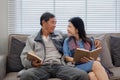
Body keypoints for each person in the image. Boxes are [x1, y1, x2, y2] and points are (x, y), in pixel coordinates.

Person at [20, 12, 89, 80]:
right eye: (52, 22)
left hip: (59, 66)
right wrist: (32, 63)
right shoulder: (32, 39)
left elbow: (74, 36)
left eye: (55, 23)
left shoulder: (59, 35)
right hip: (41, 67)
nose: (55, 25)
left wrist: (93, 41)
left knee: (82, 75)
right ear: (44, 23)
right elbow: (24, 56)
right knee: (25, 75)